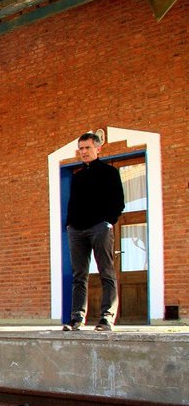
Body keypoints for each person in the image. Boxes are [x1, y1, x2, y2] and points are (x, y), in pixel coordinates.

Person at [63, 132, 125, 332]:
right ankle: (76, 319)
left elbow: (119, 202)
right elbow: (72, 204)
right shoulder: (77, 177)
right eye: (81, 149)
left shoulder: (109, 172)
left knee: (106, 272)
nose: (84, 152)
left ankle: (106, 318)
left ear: (98, 148)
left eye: (87, 148)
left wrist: (108, 222)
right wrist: (69, 225)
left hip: (100, 227)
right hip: (77, 231)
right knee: (79, 275)